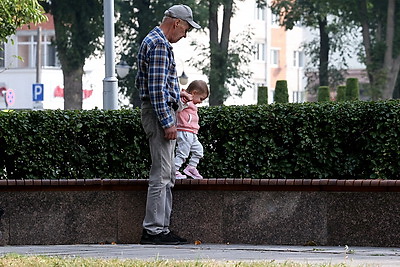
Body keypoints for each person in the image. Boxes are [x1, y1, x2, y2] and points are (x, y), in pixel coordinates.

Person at [135, 4, 201, 245]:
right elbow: (154, 90)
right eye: (186, 30)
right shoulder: (160, 45)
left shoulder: (152, 40)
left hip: (156, 111)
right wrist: (167, 121)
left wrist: (177, 92)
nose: (184, 35)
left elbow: (156, 84)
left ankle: (160, 228)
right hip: (158, 114)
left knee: (166, 173)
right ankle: (154, 230)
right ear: (177, 23)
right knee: (162, 174)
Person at [175, 80, 209, 179]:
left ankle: (191, 167)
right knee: (182, 153)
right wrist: (185, 99)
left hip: (192, 133)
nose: (200, 102)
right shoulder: (185, 100)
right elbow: (178, 107)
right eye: (201, 98)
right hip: (184, 131)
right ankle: (174, 170)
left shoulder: (192, 104)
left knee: (199, 150)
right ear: (194, 93)